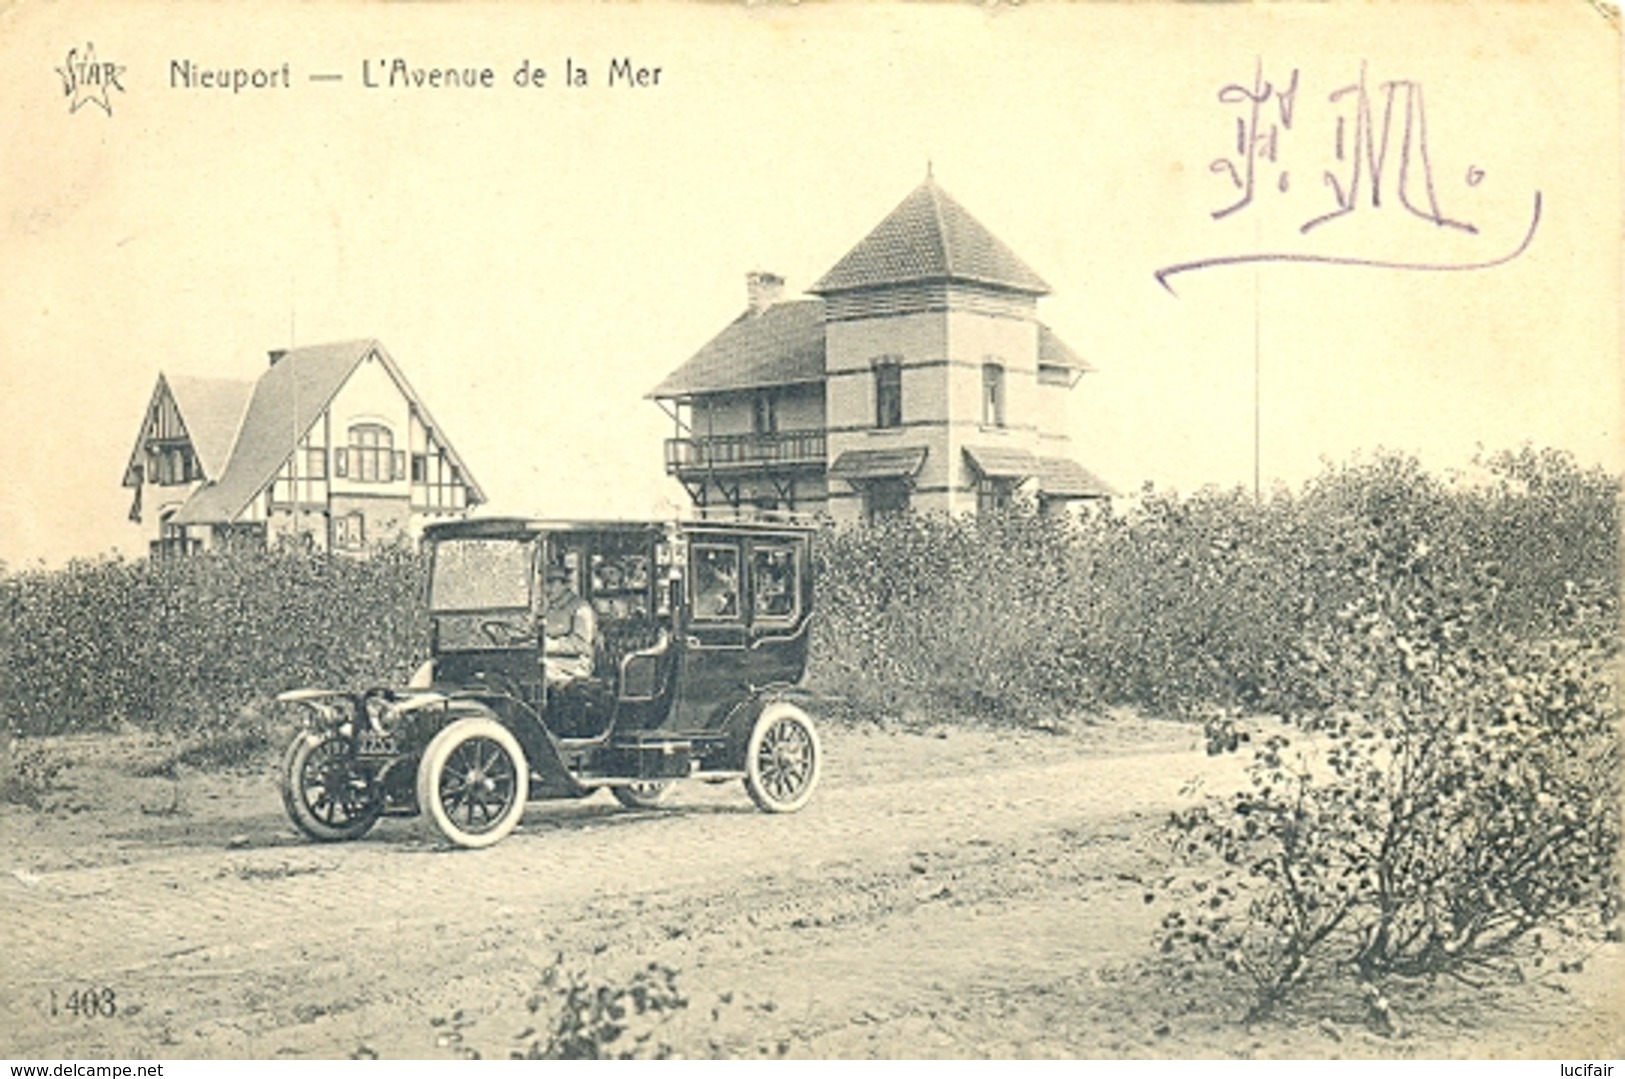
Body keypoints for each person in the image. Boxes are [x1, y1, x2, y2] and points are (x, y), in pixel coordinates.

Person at [539, 560, 596, 689]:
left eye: (551, 583)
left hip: (574, 665)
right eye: (543, 584)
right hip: (552, 661)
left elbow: (581, 645)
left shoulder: (581, 608)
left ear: (565, 584)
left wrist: (548, 644)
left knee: (539, 673)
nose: (546, 589)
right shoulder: (547, 608)